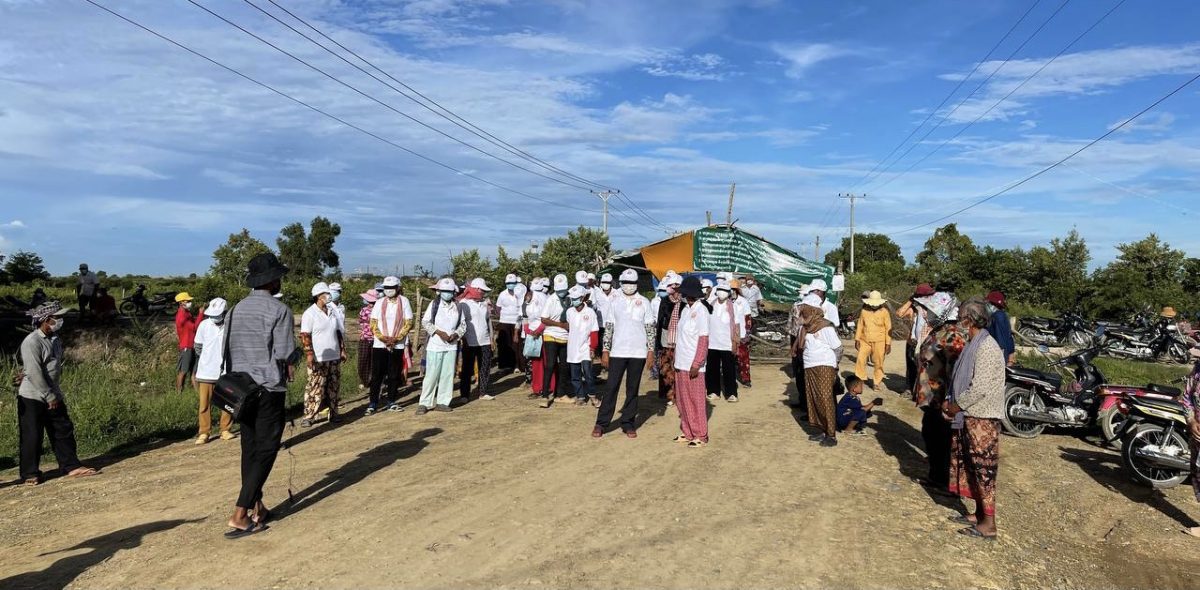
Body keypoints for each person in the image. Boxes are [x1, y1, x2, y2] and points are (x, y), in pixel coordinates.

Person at [225, 252, 297, 538]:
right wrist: (295, 358)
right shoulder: (280, 311)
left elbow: (225, 351)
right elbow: (283, 353)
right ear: (272, 280)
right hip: (268, 388)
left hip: (240, 390)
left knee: (250, 449)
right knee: (266, 450)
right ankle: (240, 514)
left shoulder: (236, 309)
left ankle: (258, 507)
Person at [17, 302, 99, 485]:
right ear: (47, 320)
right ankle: (29, 473)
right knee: (32, 435)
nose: (60, 321)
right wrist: (49, 395)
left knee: (62, 429)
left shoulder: (55, 339)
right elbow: (34, 371)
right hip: (33, 395)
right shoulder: (32, 341)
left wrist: (54, 394)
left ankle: (71, 466)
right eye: (57, 317)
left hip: (52, 392)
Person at [944, 298, 1006, 540]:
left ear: (968, 320)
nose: (958, 321)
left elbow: (979, 386)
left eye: (960, 316)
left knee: (983, 471)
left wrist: (955, 405)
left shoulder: (986, 347)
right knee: (971, 466)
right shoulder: (975, 343)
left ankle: (989, 524)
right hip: (971, 414)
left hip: (983, 416)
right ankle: (979, 513)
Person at [912, 291, 965, 496]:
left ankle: (944, 481)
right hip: (931, 396)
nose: (928, 314)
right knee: (931, 433)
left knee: (942, 438)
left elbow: (955, 369)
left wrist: (951, 399)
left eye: (933, 310)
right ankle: (936, 476)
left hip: (942, 397)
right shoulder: (941, 330)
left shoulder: (953, 335)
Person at [596, 269, 654, 438]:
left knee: (632, 388)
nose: (629, 286)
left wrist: (650, 351)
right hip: (618, 352)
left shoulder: (644, 302)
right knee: (611, 387)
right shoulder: (614, 302)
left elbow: (650, 328)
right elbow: (609, 328)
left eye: (632, 283)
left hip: (638, 353)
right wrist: (605, 351)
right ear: (620, 283)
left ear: (637, 284)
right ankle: (601, 423)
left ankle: (628, 422)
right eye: (626, 283)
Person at [793, 303, 841, 447]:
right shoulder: (805, 329)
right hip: (810, 366)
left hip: (824, 366)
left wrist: (835, 366)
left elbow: (838, 348)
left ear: (809, 315)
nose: (799, 318)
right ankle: (822, 429)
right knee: (814, 399)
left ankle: (831, 434)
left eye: (801, 315)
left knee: (825, 399)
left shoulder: (825, 327)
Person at [672, 276, 712, 447]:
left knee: (696, 400)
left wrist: (697, 363)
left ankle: (700, 435)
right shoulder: (685, 310)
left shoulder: (701, 311)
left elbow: (703, 339)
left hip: (693, 363)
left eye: (689, 294)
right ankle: (687, 431)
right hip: (681, 361)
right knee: (682, 400)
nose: (687, 297)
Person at [418, 278, 466, 414]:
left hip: (451, 345)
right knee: (432, 375)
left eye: (449, 291)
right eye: (444, 291)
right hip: (435, 345)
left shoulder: (458, 306)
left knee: (447, 374)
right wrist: (439, 333)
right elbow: (426, 322)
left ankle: (443, 402)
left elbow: (463, 325)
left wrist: (455, 335)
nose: (447, 294)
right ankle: (424, 403)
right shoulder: (434, 304)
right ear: (439, 292)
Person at [300, 282, 345, 427]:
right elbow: (305, 335)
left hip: (334, 355)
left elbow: (337, 332)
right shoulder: (310, 313)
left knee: (334, 386)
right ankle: (309, 415)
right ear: (319, 296)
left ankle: (334, 413)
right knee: (315, 386)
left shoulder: (332, 311)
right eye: (326, 293)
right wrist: (309, 354)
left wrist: (342, 349)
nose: (329, 296)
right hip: (319, 357)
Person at [368, 276, 413, 414]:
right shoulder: (379, 302)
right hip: (380, 344)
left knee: (394, 374)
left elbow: (408, 322)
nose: (388, 290)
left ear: (398, 288)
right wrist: (383, 339)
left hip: (397, 344)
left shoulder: (404, 302)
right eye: (386, 288)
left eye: (391, 288)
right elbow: (373, 323)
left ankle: (391, 401)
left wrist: (396, 339)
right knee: (377, 375)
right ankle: (373, 403)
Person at [193, 298, 234, 444]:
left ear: (225, 312)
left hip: (226, 371)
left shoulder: (231, 325)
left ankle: (225, 429)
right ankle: (204, 432)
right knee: (204, 404)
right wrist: (209, 358)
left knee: (227, 403)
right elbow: (198, 347)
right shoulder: (204, 325)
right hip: (206, 371)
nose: (215, 317)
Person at [707, 280, 744, 403]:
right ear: (716, 292)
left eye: (725, 291)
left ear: (729, 293)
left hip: (727, 343)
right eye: (720, 290)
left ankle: (731, 393)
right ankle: (713, 391)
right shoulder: (710, 304)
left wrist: (736, 341)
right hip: (712, 342)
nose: (722, 293)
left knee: (729, 369)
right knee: (712, 368)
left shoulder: (734, 307)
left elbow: (737, 325)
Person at [539, 274, 572, 407]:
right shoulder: (551, 300)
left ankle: (561, 393)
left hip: (565, 336)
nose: (561, 293)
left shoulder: (570, 298)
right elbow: (544, 319)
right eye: (559, 290)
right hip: (551, 335)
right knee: (550, 365)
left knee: (564, 366)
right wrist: (560, 325)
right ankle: (545, 394)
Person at [896, 283, 935, 397]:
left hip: (925, 343)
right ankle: (909, 389)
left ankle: (920, 392)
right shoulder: (913, 309)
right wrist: (910, 300)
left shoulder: (933, 309)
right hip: (912, 343)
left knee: (924, 369)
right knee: (911, 367)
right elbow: (899, 314)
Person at [460, 277, 495, 401]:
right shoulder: (464, 304)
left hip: (484, 340)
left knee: (484, 367)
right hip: (469, 340)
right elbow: (461, 323)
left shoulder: (484, 304)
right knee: (467, 368)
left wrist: (491, 338)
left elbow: (488, 322)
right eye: (481, 291)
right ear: (475, 289)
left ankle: (483, 392)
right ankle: (464, 394)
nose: (483, 293)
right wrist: (463, 338)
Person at [565, 285, 600, 406]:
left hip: (586, 347)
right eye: (572, 298)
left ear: (582, 298)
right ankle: (580, 396)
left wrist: (593, 348)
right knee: (575, 375)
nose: (573, 300)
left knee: (588, 373)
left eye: (576, 298)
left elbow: (594, 331)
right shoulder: (569, 312)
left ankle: (593, 395)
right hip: (572, 348)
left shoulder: (590, 312)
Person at [654, 273, 685, 406]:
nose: (671, 288)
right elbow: (660, 320)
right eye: (669, 285)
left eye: (673, 285)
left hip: (681, 337)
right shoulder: (665, 301)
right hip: (666, 336)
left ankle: (679, 393)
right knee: (666, 365)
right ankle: (666, 393)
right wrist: (657, 343)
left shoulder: (685, 301)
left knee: (678, 365)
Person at [854, 290, 893, 391]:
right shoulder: (864, 311)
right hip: (865, 340)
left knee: (878, 362)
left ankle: (876, 382)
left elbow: (889, 328)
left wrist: (888, 343)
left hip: (880, 341)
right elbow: (860, 325)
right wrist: (857, 339)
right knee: (860, 359)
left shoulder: (885, 312)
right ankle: (860, 379)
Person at [1180, 358, 1200, 538]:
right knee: (1198, 476)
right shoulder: (1198, 369)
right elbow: (1187, 397)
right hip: (1197, 437)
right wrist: (1191, 420)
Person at [174, 292, 204, 393]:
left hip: (191, 345)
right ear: (181, 302)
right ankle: (178, 392)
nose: (190, 302)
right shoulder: (182, 316)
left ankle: (197, 394)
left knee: (193, 372)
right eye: (188, 301)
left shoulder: (186, 313)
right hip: (187, 346)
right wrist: (201, 314)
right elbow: (195, 327)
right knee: (183, 371)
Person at [786, 286, 809, 416]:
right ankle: (802, 400)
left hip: (806, 338)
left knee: (805, 369)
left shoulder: (811, 308)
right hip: (795, 336)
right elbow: (791, 320)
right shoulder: (795, 305)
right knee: (798, 368)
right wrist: (789, 333)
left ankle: (806, 403)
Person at [495, 274, 524, 375]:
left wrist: (519, 323)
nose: (510, 285)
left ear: (516, 283)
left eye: (512, 283)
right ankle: (504, 366)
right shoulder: (502, 294)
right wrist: (502, 317)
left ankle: (517, 365)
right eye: (508, 283)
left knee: (517, 344)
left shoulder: (520, 295)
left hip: (517, 322)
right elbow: (498, 308)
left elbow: (521, 310)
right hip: (504, 322)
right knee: (504, 345)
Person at [729, 279, 754, 389]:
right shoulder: (726, 301)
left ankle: (746, 379)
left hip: (742, 334)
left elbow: (748, 318)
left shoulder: (743, 301)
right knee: (730, 359)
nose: (731, 291)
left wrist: (747, 333)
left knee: (743, 358)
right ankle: (730, 380)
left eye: (733, 289)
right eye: (730, 289)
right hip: (729, 334)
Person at [986, 290, 1016, 366]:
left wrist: (1003, 359)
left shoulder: (997, 316)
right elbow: (1009, 337)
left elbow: (1001, 339)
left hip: (997, 356)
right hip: (1000, 356)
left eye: (989, 303)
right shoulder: (1001, 315)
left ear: (993, 305)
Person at [356, 289, 378, 390]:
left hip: (377, 339)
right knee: (363, 361)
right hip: (365, 338)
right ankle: (364, 381)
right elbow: (361, 322)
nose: (371, 303)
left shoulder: (379, 310)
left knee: (374, 361)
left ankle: (374, 381)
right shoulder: (363, 310)